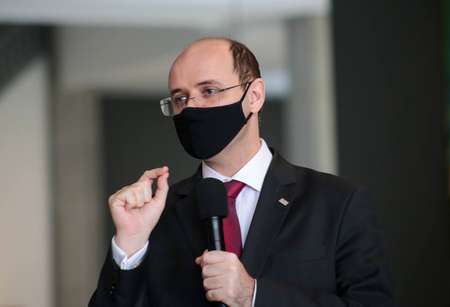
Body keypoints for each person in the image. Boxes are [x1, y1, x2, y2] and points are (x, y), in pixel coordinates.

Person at [89, 37, 396, 307]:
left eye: (209, 90)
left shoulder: (336, 202)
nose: (192, 108)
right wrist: (128, 249)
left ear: (254, 96)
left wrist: (253, 295)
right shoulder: (156, 216)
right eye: (181, 98)